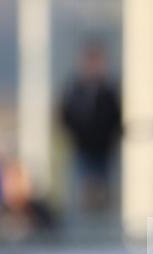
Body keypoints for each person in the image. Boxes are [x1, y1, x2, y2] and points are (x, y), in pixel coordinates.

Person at [59, 40, 122, 220]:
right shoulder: (75, 90)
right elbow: (66, 117)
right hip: (82, 151)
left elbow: (115, 119)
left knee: (104, 196)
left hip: (104, 153)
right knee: (82, 195)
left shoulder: (108, 91)